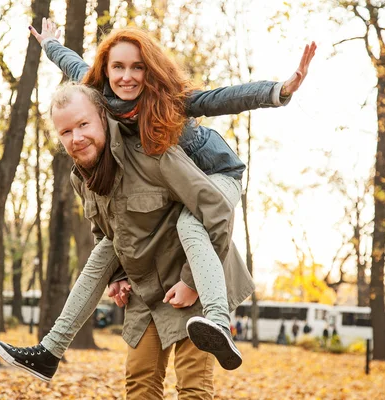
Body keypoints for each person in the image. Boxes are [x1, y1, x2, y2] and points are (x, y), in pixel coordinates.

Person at [23, 20, 316, 365]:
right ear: (106, 70)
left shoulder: (169, 99)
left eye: (138, 67)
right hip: (178, 184)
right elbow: (73, 64)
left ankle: (219, 322)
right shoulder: (99, 99)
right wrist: (51, 44)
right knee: (104, 249)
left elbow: (223, 99)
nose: (127, 77)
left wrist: (280, 90)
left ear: (150, 70)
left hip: (216, 173)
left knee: (191, 226)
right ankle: (49, 352)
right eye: (118, 67)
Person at [0, 84, 254, 398]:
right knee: (140, 383)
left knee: (193, 387)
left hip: (193, 278)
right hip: (146, 287)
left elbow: (215, 209)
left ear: (103, 118)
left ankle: (217, 321)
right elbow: (105, 232)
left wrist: (192, 282)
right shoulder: (83, 178)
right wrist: (117, 277)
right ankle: (50, 351)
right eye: (65, 132)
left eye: (83, 124)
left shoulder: (153, 153)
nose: (76, 138)